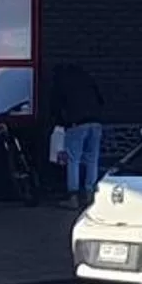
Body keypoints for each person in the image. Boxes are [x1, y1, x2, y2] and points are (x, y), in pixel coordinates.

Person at [48, 61, 106, 208]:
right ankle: (89, 193)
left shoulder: (61, 83)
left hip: (76, 123)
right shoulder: (88, 80)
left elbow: (56, 106)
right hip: (96, 122)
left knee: (73, 160)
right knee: (92, 159)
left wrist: (60, 122)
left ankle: (73, 196)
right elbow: (101, 100)